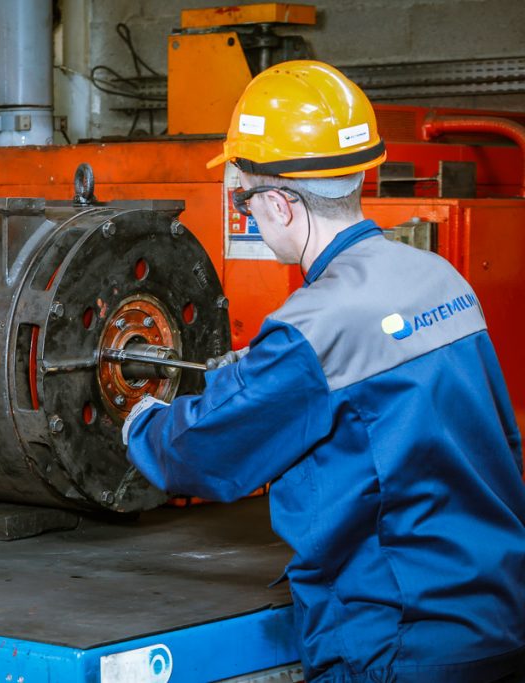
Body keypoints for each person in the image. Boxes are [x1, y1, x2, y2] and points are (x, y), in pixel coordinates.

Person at [123, 61, 525, 681]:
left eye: (245, 200)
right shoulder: (441, 280)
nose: (250, 215)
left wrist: (141, 420)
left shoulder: (313, 328)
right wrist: (263, 375)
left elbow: (205, 452)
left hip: (400, 637)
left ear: (280, 204)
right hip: (497, 615)